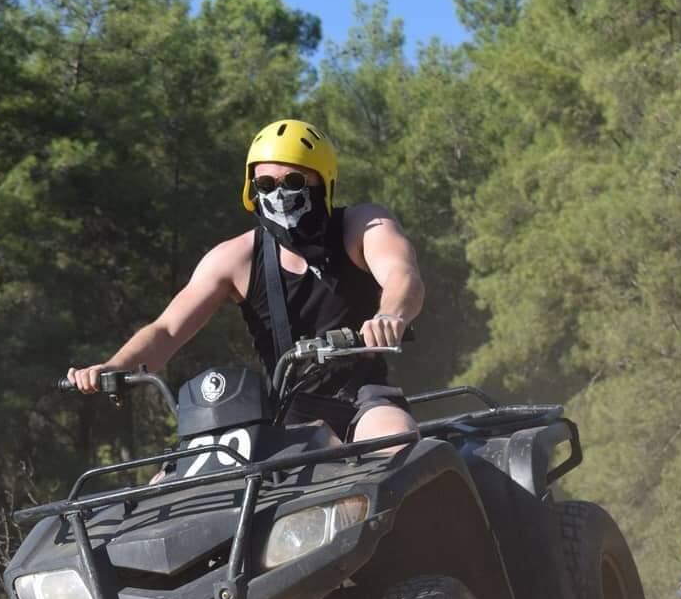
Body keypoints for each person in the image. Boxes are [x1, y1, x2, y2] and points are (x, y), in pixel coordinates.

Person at [68, 119, 423, 446]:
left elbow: (401, 274)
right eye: (265, 185)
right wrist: (115, 366)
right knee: (171, 481)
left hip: (364, 399)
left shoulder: (362, 225)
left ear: (323, 182)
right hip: (284, 415)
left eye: (294, 182)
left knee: (394, 441)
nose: (279, 194)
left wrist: (389, 316)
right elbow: (167, 330)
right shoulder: (234, 258)